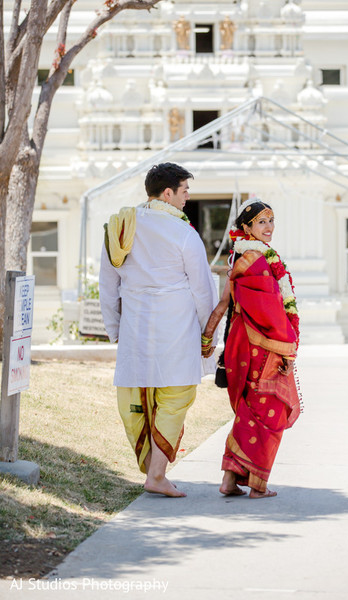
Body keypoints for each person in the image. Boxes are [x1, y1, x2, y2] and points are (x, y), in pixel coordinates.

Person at [99, 162, 218, 498]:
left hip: (135, 324)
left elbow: (108, 285)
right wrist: (208, 336)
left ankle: (154, 470)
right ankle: (156, 474)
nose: (187, 198)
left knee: (136, 397)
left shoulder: (121, 227)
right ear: (168, 193)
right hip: (176, 326)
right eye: (184, 191)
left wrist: (114, 329)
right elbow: (202, 291)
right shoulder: (183, 233)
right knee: (175, 397)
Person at [201, 199, 301, 498]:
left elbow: (224, 304)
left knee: (250, 409)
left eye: (271, 220)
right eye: (261, 222)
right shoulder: (255, 259)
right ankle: (257, 485)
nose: (269, 227)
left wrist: (209, 338)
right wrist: (287, 346)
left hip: (245, 347)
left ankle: (230, 480)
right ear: (246, 228)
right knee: (267, 411)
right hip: (262, 345)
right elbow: (268, 310)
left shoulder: (241, 258)